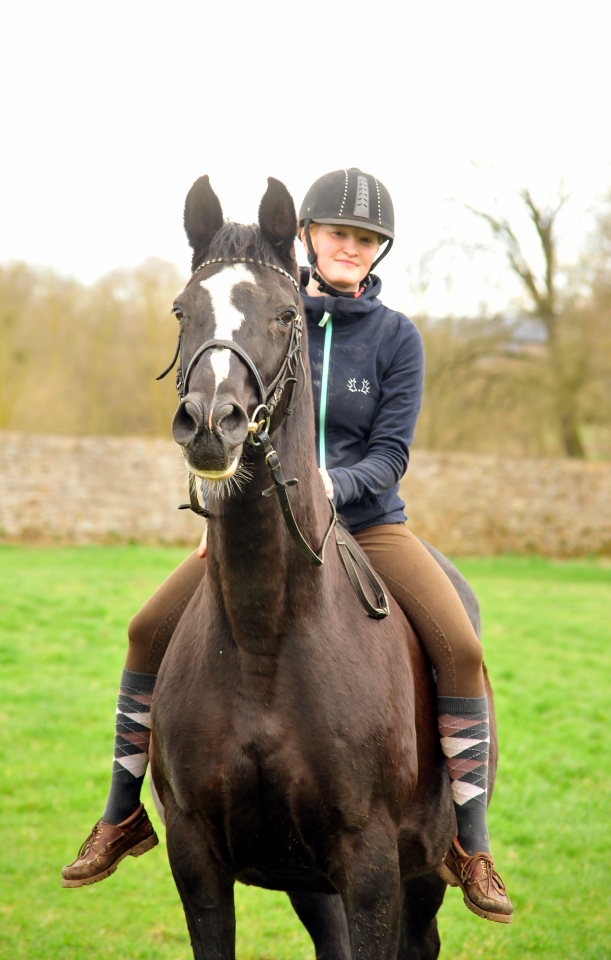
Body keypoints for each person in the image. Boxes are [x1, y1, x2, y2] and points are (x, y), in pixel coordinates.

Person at [61, 168, 512, 924]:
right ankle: (121, 814)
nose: (351, 248)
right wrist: (221, 505)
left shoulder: (396, 338)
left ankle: (470, 845)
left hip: (369, 523)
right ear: (305, 236)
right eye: (338, 233)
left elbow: (391, 454)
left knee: (461, 647)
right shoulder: (271, 310)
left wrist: (333, 486)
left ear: (379, 251)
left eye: (366, 239)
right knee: (144, 630)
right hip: (256, 527)